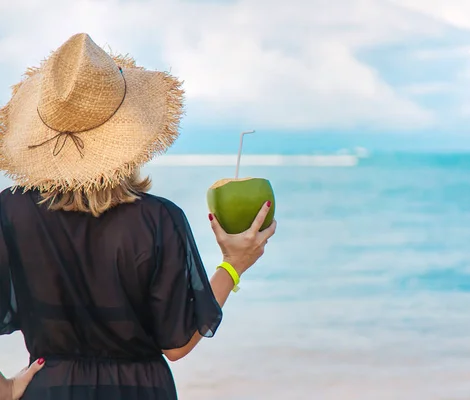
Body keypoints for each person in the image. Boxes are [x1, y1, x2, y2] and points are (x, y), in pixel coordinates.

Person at [0, 33, 276, 399]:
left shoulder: (9, 212)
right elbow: (177, 345)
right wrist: (233, 264)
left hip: (49, 388)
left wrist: (4, 389)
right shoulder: (158, 220)